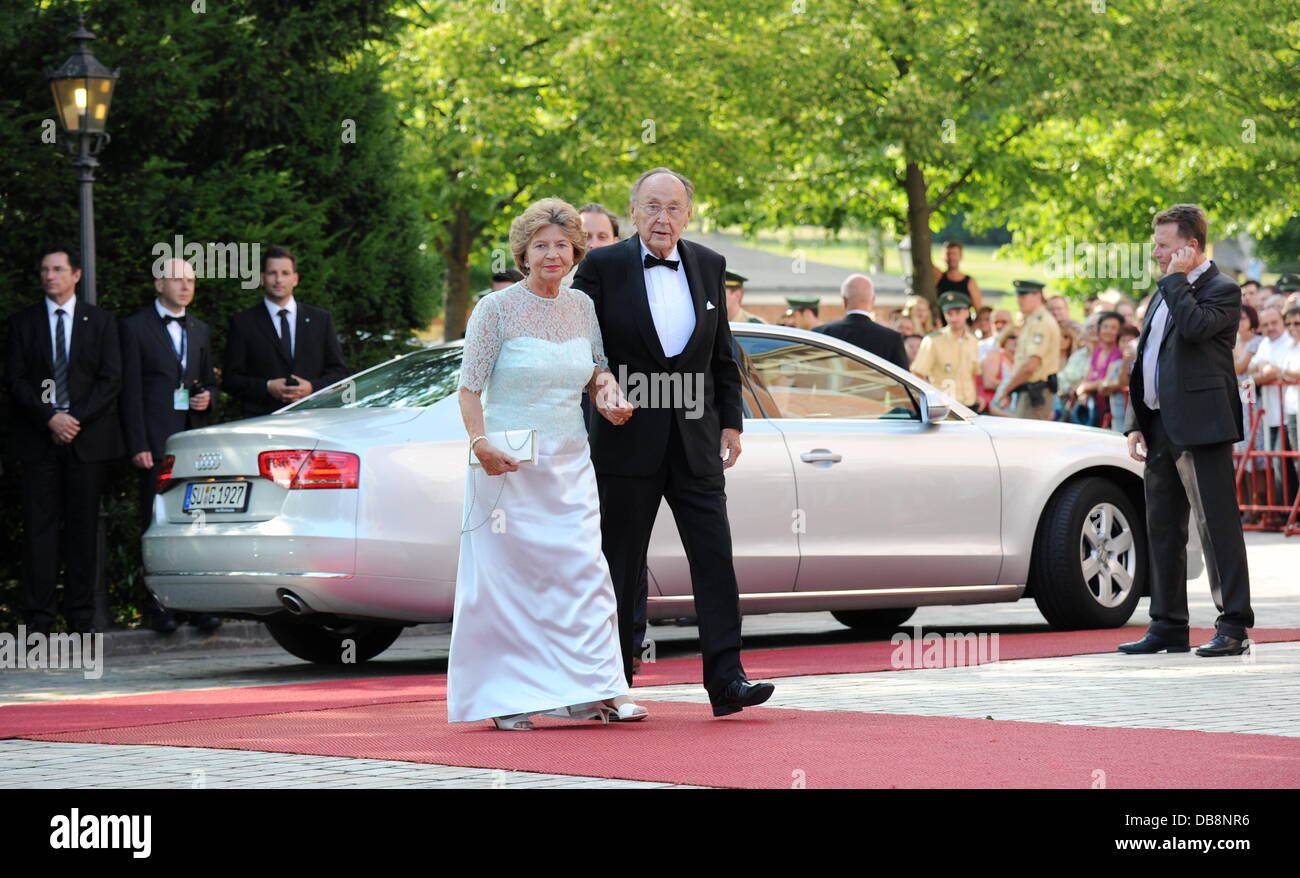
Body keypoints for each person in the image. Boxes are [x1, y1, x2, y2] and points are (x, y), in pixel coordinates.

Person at [573, 166, 776, 717]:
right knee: (618, 563)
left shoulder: (709, 265)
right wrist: (599, 380)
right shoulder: (602, 265)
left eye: (674, 208)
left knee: (715, 559)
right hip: (625, 438)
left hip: (696, 439)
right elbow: (576, 341)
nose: (663, 218)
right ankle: (609, 683)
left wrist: (732, 422)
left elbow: (721, 355)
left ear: (688, 214)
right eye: (652, 206)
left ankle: (727, 680)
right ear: (634, 211)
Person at [448, 197, 645, 730]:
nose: (552, 254)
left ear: (576, 250)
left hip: (570, 461)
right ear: (523, 252)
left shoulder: (581, 306)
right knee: (510, 583)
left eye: (561, 245)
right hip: (506, 465)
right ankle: (506, 697)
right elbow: (468, 391)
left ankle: (597, 688)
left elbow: (596, 369)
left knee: (585, 575)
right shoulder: (495, 309)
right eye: (541, 246)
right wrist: (480, 443)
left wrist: (610, 392)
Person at [1120, 203, 1252, 657]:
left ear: (1190, 247)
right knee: (1162, 528)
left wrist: (1175, 280)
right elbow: (1146, 359)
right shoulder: (1163, 291)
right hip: (1159, 426)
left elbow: (1196, 330)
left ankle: (1232, 625)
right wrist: (1137, 421)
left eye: (1163, 246)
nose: (1156, 254)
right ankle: (1168, 623)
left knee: (1216, 527)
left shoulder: (1222, 289)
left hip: (1202, 425)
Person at [5, 244, 123, 635]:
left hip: (87, 442)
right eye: (44, 269)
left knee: (82, 530)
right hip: (39, 441)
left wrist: (74, 419)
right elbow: (16, 380)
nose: (49, 275)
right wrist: (50, 417)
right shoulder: (24, 323)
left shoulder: (101, 322)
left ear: (76, 275)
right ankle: (38, 620)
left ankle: (80, 618)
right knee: (39, 531)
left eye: (57, 269)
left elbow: (110, 379)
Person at [118, 258, 222, 633]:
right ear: (158, 283)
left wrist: (208, 397)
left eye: (191, 280)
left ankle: (196, 605)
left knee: (196, 525)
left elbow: (209, 381)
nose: (185, 286)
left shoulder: (200, 329)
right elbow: (128, 390)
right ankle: (157, 607)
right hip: (154, 444)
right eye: (177, 279)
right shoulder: (133, 328)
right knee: (156, 523)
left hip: (192, 444)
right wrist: (138, 443)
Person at [223, 246, 350, 419]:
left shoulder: (321, 320)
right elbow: (231, 380)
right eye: (272, 273)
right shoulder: (243, 323)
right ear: (262, 278)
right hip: (262, 421)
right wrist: (267, 386)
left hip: (313, 418)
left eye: (285, 273)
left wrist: (312, 387)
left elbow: (339, 374)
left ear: (295, 279)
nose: (278, 279)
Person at [1248, 305, 1297, 512]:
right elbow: (1252, 368)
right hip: (1272, 413)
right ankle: (1284, 511)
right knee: (1278, 463)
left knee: (1286, 462)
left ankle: (1288, 511)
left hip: (1288, 412)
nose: (1271, 328)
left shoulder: (1290, 342)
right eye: (1265, 324)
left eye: (1275, 323)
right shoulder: (1266, 343)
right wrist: (1263, 371)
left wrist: (1271, 372)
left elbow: (1281, 373)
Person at [813, 274, 909, 369]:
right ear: (873, 300)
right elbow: (904, 382)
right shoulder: (892, 339)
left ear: (844, 301)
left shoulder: (821, 334)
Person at [997, 279, 1060, 419]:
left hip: (1035, 395)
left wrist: (1007, 390)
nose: (1019, 300)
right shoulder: (1032, 320)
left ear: (1037, 295)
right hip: (1028, 391)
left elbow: (1030, 365)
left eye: (1024, 296)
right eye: (1018, 296)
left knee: (1026, 439)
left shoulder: (1041, 322)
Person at [910, 291, 981, 408]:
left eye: (957, 312)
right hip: (944, 406)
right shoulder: (933, 340)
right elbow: (918, 373)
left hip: (970, 405)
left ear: (967, 313)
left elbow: (973, 374)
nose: (953, 318)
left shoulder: (973, 341)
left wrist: (977, 397)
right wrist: (933, 398)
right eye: (949, 313)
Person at [1071, 311, 1124, 426]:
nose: (1108, 331)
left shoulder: (1118, 353)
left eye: (1113, 328)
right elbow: (1087, 378)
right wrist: (1082, 393)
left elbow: (1105, 383)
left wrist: (1084, 388)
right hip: (1091, 407)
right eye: (1105, 327)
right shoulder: (1098, 350)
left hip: (1108, 410)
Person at [1100, 324, 1141, 432]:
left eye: (1130, 340)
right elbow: (1103, 389)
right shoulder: (1114, 364)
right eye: (1123, 340)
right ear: (1118, 344)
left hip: (1135, 418)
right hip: (1117, 416)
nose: (1127, 344)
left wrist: (1111, 386)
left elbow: (1122, 383)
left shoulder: (1141, 364)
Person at [933, 240, 983, 310]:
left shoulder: (970, 282)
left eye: (954, 254)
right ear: (943, 256)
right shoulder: (938, 277)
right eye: (948, 254)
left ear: (961, 256)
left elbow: (979, 309)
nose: (951, 257)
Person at [977, 326, 1016, 415]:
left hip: (1009, 409)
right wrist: (1014, 386)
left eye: (1020, 337)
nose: (1017, 340)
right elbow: (989, 383)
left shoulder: (1020, 360)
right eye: (1013, 337)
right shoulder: (995, 355)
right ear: (1005, 339)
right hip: (991, 408)